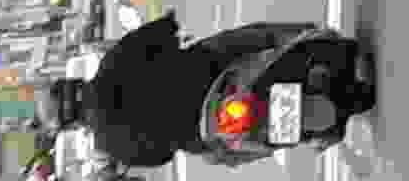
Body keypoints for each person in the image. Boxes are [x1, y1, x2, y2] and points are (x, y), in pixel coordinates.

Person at [65, 12, 370, 166]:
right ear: (75, 84)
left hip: (204, 133)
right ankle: (320, 41)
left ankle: (316, 134)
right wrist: (168, 27)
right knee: (258, 37)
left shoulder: (111, 144)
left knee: (237, 152)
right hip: (208, 71)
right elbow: (159, 33)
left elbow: (160, 156)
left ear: (72, 123)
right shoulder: (111, 65)